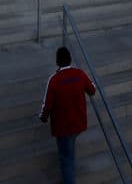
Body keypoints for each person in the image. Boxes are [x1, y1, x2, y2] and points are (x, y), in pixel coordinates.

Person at [39, 47, 96, 184]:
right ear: (70, 59)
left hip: (63, 127)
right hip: (78, 124)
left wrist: (43, 117)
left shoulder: (54, 80)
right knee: (70, 151)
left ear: (57, 62)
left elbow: (46, 105)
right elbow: (92, 89)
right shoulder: (80, 74)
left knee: (66, 160)